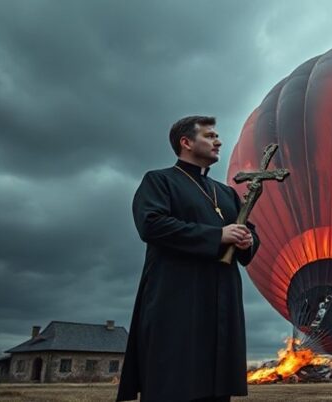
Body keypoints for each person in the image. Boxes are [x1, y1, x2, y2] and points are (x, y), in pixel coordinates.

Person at [117, 116, 259, 402]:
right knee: (174, 381)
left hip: (221, 303)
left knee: (215, 385)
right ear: (186, 142)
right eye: (209, 136)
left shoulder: (227, 193)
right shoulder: (159, 181)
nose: (218, 141)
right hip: (177, 300)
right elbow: (152, 225)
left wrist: (247, 240)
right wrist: (217, 236)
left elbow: (248, 235)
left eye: (218, 136)